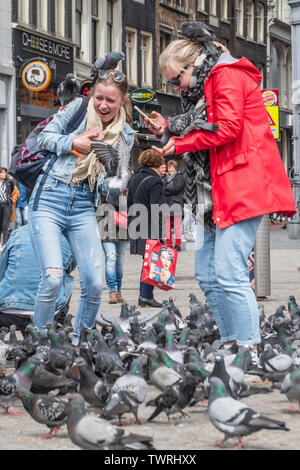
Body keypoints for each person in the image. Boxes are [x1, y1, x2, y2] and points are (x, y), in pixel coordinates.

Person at [145, 21, 296, 359]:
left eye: (175, 79)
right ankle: (231, 342)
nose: (176, 87)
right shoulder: (203, 88)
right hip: (211, 192)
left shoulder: (225, 75)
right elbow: (201, 124)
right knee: (208, 274)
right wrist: (168, 131)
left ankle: (249, 348)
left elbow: (227, 127)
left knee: (229, 271)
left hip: (239, 184)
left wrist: (179, 144)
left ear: (193, 63)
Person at [29, 61, 135, 345]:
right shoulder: (76, 109)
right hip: (49, 198)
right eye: (98, 98)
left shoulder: (126, 136)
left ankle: (79, 344)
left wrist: (113, 176)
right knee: (52, 278)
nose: (102, 105)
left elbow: (109, 185)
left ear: (121, 101)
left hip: (83, 206)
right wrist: (74, 143)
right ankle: (40, 344)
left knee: (92, 282)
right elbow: (44, 138)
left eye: (110, 101)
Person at [0, 225, 76, 335]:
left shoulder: (17, 234)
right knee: (66, 280)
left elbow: (2, 271)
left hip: (9, 312)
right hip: (49, 313)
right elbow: (70, 267)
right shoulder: (65, 238)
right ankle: (59, 325)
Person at [127, 148, 165, 308]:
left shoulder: (135, 178)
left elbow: (128, 202)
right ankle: (146, 296)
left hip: (136, 222)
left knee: (148, 261)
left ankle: (145, 295)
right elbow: (157, 208)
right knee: (152, 260)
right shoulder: (155, 181)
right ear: (157, 163)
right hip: (150, 225)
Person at [163, 159, 185, 251]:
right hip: (167, 204)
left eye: (172, 168)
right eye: (169, 168)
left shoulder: (180, 177)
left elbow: (176, 188)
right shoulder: (165, 178)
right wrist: (168, 189)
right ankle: (169, 244)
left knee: (177, 226)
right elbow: (162, 189)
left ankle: (177, 245)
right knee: (167, 226)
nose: (170, 169)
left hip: (176, 204)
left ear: (175, 168)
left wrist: (166, 189)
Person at [0, 168, 14, 248]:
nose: (4, 174)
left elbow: (12, 190)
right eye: (2, 173)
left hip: (6, 205)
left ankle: (4, 243)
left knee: (5, 225)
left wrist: (10, 199)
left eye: (5, 173)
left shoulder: (9, 182)